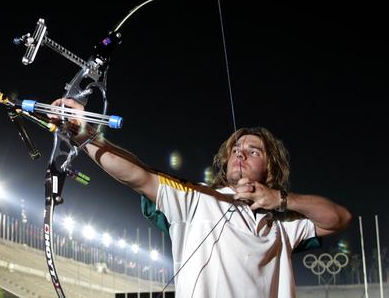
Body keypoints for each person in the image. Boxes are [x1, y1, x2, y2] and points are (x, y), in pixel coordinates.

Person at [51, 98, 351, 298]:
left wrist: (281, 200)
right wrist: (86, 132)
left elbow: (339, 218)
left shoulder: (283, 229)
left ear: (270, 168)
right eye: (236, 148)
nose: (241, 152)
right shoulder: (197, 199)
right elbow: (137, 174)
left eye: (254, 151)